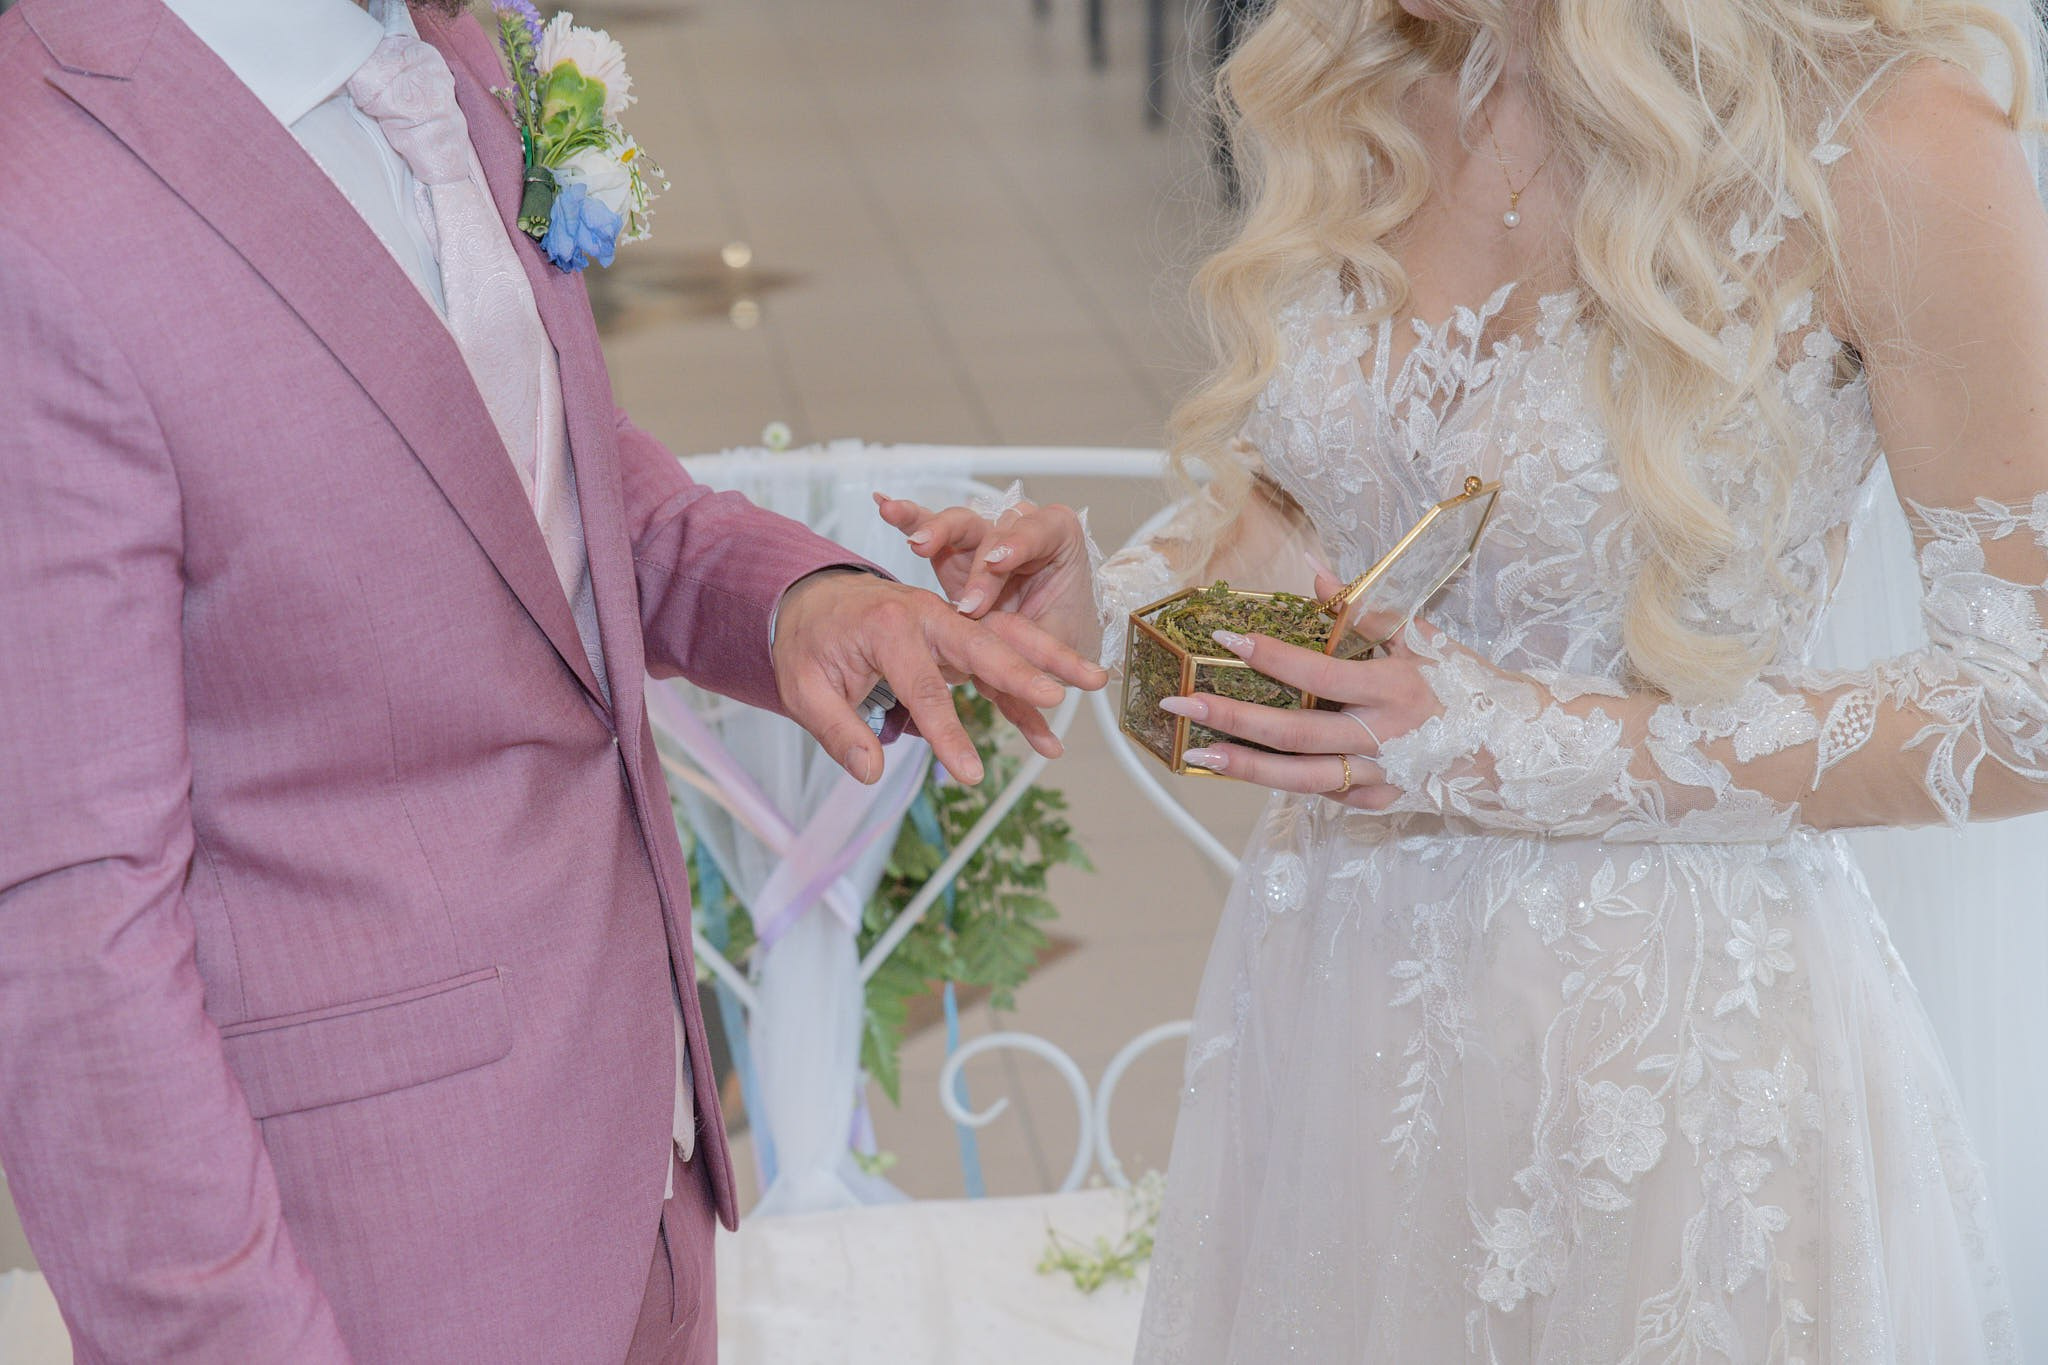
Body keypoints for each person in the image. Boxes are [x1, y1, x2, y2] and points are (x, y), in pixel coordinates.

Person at [880, 0, 2048, 1356]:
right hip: (1336, 1015)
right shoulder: (1390, 76)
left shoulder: (1887, 136)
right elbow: (1329, 520)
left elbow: (2023, 697)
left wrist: (1511, 742)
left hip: (1663, 1076)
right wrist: (1121, 600)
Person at [0, 0, 1104, 1360]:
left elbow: (520, 469)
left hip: (641, 1178)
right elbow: (68, 943)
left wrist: (796, 601)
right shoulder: (39, 209)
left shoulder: (448, 53)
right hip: (383, 1261)